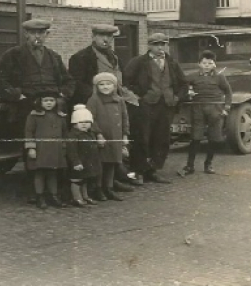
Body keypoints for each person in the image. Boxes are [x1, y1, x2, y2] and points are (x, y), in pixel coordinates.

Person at [0, 19, 75, 202]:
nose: (37, 37)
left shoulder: (53, 57)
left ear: (47, 35)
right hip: (27, 106)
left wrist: (63, 96)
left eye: (42, 33)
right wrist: (17, 95)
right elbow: (1, 79)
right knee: (32, 146)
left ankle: (55, 189)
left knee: (55, 145)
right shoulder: (13, 55)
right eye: (33, 33)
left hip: (53, 106)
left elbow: (68, 80)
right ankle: (34, 189)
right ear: (26, 35)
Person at [69, 24, 140, 190]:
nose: (106, 39)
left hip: (115, 103)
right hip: (95, 105)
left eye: (110, 36)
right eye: (102, 36)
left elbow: (121, 81)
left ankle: (117, 175)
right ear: (93, 36)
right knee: (101, 143)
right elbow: (78, 84)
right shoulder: (81, 57)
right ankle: (104, 183)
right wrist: (99, 97)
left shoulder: (114, 57)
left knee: (118, 138)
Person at [123, 33, 187, 184]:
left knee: (162, 139)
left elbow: (184, 84)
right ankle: (139, 170)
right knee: (142, 138)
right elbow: (126, 81)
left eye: (163, 44)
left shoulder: (172, 63)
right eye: (156, 44)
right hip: (145, 106)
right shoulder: (138, 62)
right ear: (149, 46)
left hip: (166, 106)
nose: (160, 48)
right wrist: (139, 97)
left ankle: (153, 170)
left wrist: (177, 98)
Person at [179, 50, 232, 176]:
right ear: (199, 64)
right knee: (195, 138)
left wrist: (226, 108)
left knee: (213, 139)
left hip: (215, 110)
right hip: (198, 109)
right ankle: (189, 166)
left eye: (210, 63)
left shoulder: (220, 77)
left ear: (214, 64)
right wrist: (188, 92)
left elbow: (228, 92)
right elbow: (181, 85)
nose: (207, 65)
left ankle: (208, 164)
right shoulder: (192, 76)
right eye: (204, 63)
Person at [87, 72, 130, 201]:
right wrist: (98, 134)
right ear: (97, 86)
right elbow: (90, 118)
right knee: (101, 163)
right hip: (102, 137)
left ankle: (109, 187)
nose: (105, 87)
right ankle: (98, 188)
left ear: (114, 86)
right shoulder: (94, 100)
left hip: (115, 136)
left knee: (112, 163)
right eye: (101, 84)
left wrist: (125, 135)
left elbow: (124, 118)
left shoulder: (119, 100)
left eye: (108, 84)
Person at [24, 91, 69, 209]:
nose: (49, 103)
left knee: (52, 173)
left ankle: (54, 196)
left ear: (56, 102)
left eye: (51, 101)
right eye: (45, 101)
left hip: (55, 149)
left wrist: (64, 146)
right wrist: (31, 148)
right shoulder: (34, 115)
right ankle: (40, 197)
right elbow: (29, 132)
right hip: (40, 149)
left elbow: (65, 132)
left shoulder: (60, 116)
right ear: (40, 102)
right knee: (40, 172)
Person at [66, 104, 100, 208]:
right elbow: (72, 151)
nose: (84, 124)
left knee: (85, 179)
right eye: (80, 122)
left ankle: (85, 196)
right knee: (77, 180)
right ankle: (77, 198)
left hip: (88, 161)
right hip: (78, 162)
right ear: (75, 123)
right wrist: (76, 162)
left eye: (87, 122)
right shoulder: (73, 135)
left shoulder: (90, 133)